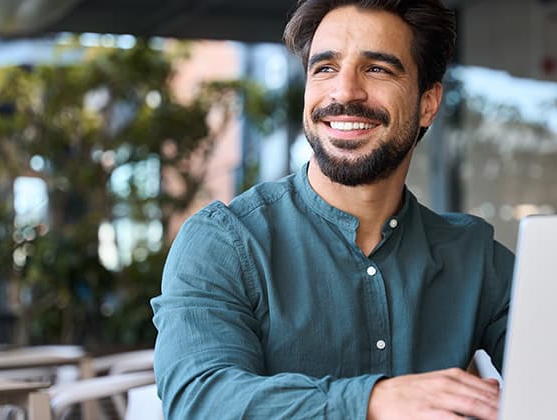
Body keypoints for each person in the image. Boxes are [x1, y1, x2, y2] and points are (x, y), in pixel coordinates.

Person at [150, 0, 514, 418]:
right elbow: (200, 398)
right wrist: (372, 402)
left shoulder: (473, 255)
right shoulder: (226, 242)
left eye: (377, 68)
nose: (344, 92)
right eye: (324, 68)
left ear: (428, 103)